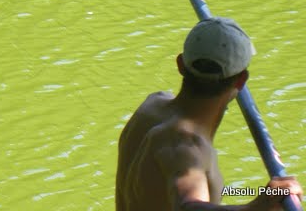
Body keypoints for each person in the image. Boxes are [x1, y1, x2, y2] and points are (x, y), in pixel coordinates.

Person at [115, 17, 302, 211]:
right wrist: (256, 207)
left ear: (180, 64)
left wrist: (265, 195)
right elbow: (188, 207)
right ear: (241, 80)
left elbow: (220, 192)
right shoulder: (186, 146)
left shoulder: (151, 106)